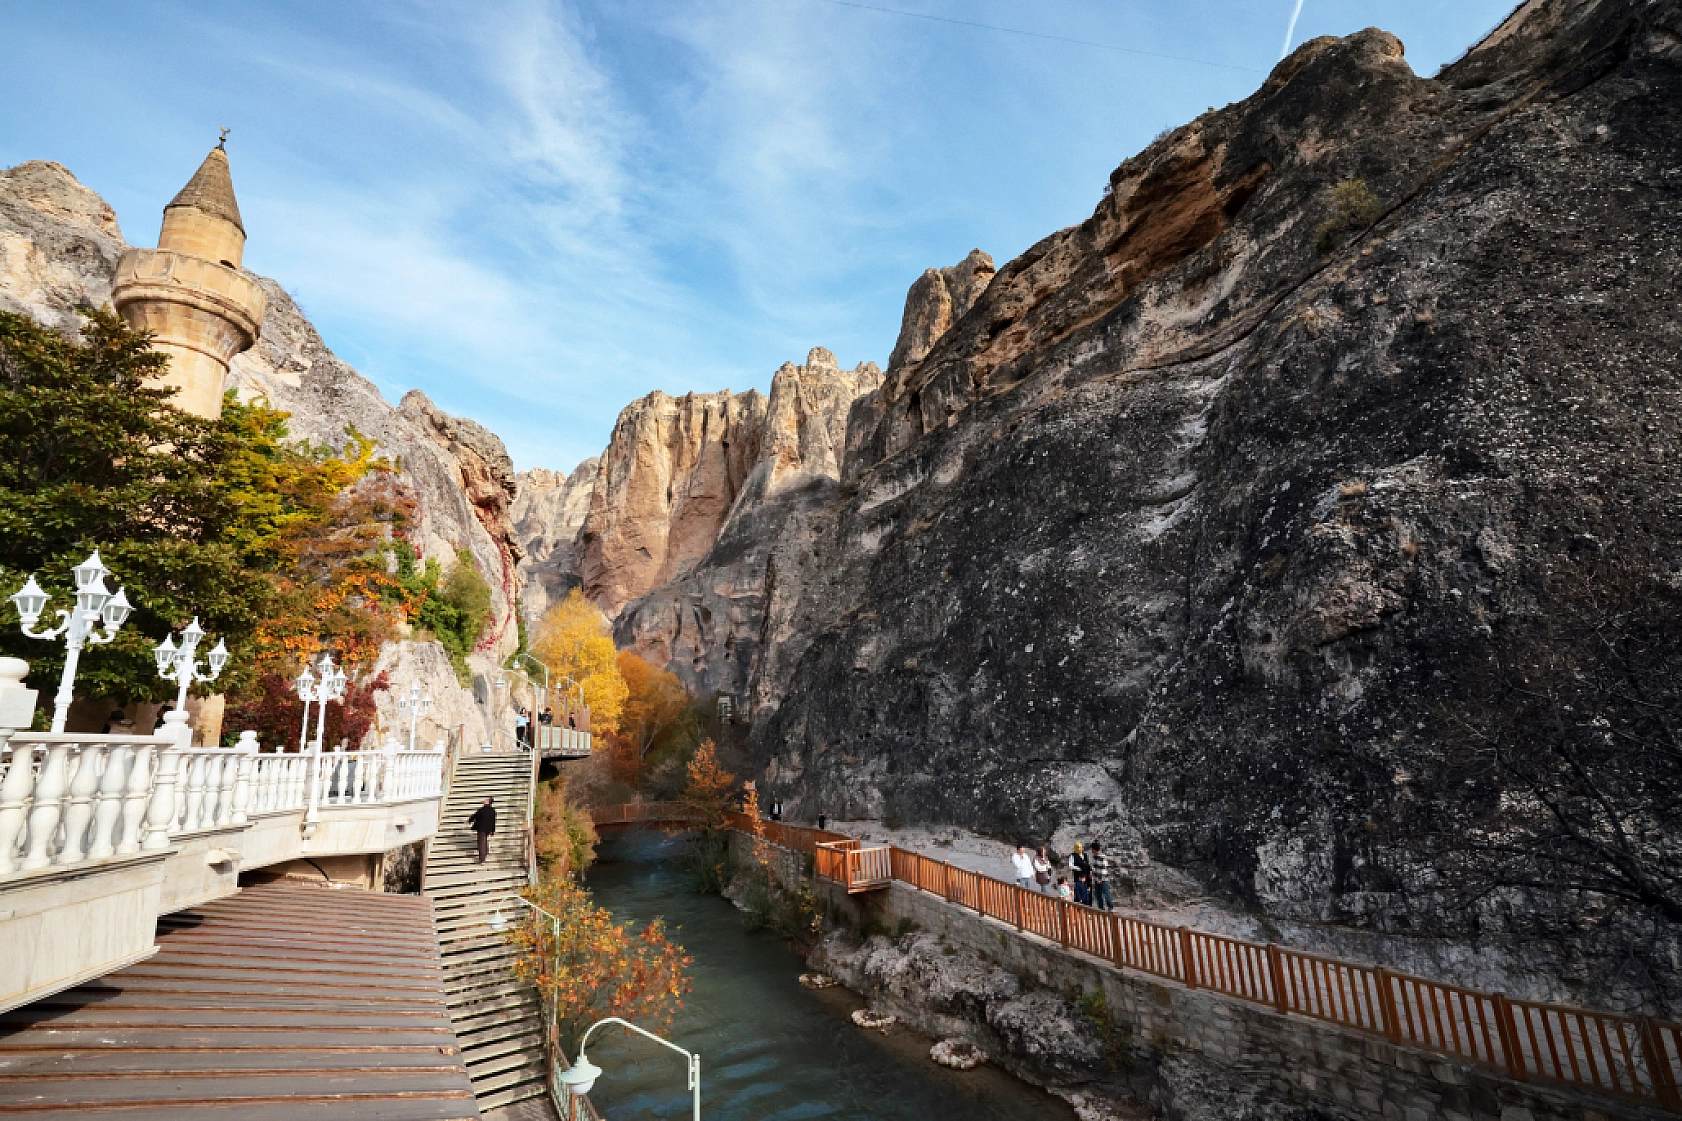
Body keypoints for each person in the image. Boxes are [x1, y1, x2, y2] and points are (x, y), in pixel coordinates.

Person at [468, 797, 496, 864]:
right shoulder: (493, 811)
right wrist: (493, 830)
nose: (484, 800)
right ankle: (486, 853)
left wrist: (470, 820)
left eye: (486, 800)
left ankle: (482, 859)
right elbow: (493, 821)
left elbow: (475, 816)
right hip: (488, 828)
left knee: (481, 843)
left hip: (481, 828)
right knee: (485, 840)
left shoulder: (482, 810)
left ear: (488, 802)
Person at [1089, 841, 1114, 911]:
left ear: (1094, 849)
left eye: (1092, 849)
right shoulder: (1094, 857)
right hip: (1096, 879)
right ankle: (1101, 908)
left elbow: (1104, 869)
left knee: (1106, 894)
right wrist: (1092, 873)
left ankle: (1110, 907)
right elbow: (1094, 866)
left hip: (1103, 879)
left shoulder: (1103, 857)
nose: (1092, 850)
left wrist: (1100, 879)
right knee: (1098, 894)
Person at [1069, 841, 1092, 906]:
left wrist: (1090, 871)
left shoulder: (1085, 855)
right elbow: (1070, 865)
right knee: (1079, 889)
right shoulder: (1073, 856)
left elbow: (1087, 864)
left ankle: (1088, 904)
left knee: (1087, 889)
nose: (1081, 848)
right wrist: (1078, 868)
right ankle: (1079, 904)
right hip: (1078, 875)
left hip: (1086, 874)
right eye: (1079, 847)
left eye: (1081, 847)